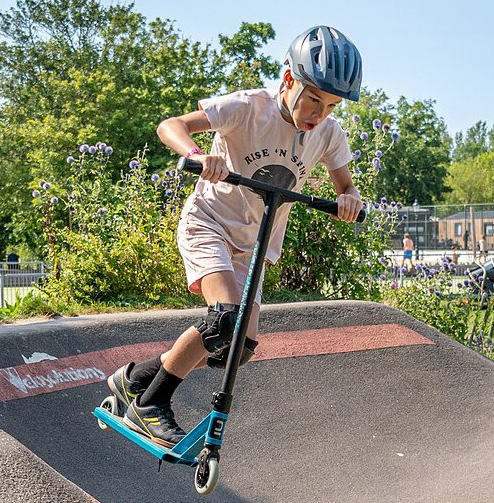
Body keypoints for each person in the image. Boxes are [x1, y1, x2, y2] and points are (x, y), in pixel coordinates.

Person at [105, 25, 362, 446]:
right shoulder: (247, 107)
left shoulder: (328, 135)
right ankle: (150, 404)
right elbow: (171, 125)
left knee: (237, 347)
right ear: (288, 80)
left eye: (331, 105)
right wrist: (197, 154)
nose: (319, 113)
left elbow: (345, 188)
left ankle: (135, 379)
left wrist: (349, 200)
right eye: (313, 98)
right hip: (208, 223)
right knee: (224, 320)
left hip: (253, 246)